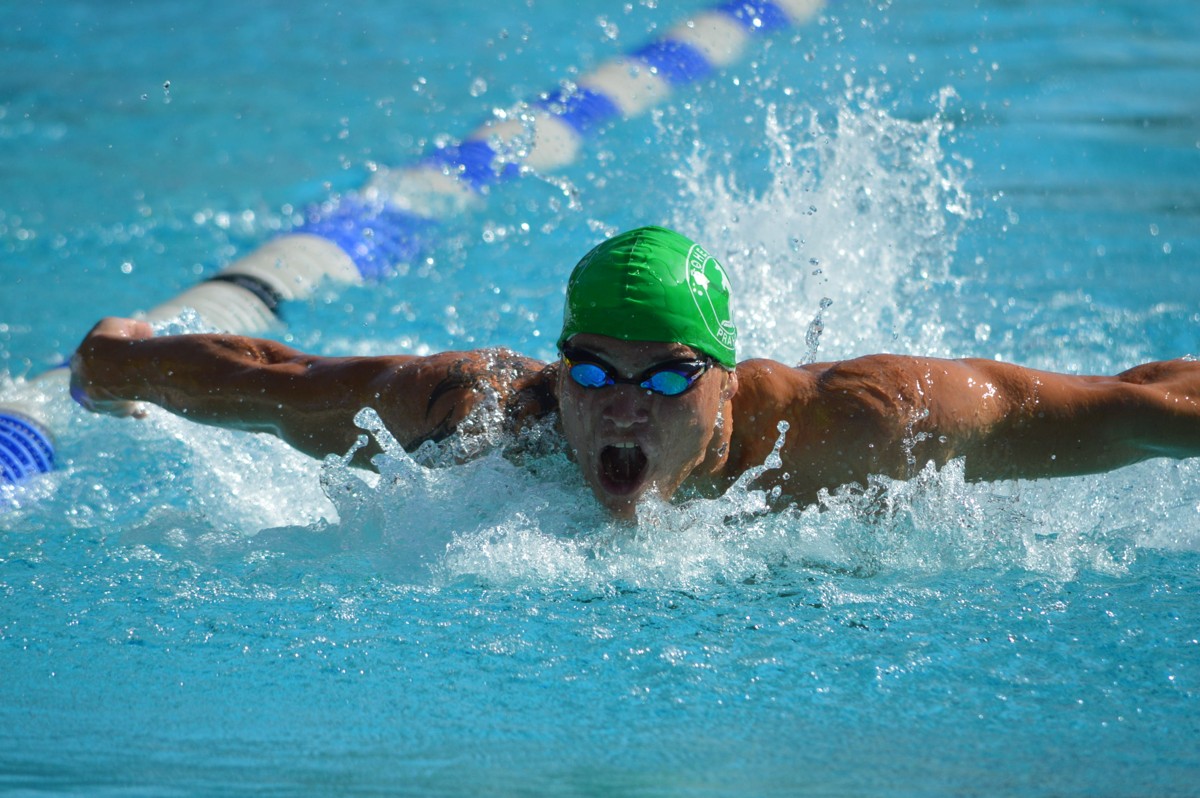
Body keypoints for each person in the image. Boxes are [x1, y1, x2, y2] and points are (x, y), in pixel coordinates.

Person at [70, 226, 1200, 521]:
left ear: (725, 381)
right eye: (593, 372)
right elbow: (272, 377)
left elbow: (1136, 407)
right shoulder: (481, 417)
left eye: (665, 379)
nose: (620, 403)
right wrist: (114, 362)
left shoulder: (857, 426)